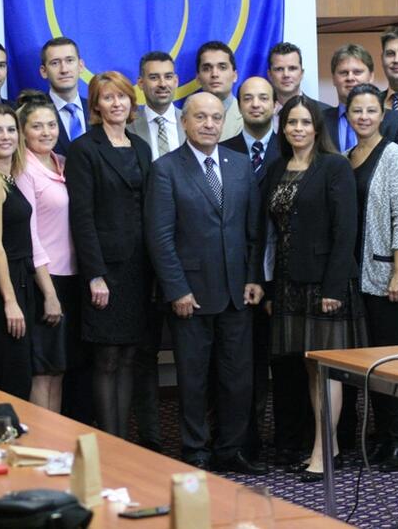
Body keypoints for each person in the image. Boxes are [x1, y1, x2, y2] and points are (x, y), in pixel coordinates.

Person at [146, 91, 267, 474]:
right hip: (191, 296)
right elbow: (160, 238)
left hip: (237, 294)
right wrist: (177, 289)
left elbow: (253, 231)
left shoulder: (240, 165)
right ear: (185, 122)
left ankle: (232, 448)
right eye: (200, 117)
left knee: (237, 379)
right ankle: (195, 448)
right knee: (194, 379)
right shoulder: (166, 168)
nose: (209, 124)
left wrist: (253, 278)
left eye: (216, 117)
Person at [260, 95, 366, 482]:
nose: (298, 129)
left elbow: (346, 232)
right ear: (283, 127)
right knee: (309, 368)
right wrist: (269, 286)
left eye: (305, 122)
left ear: (317, 128)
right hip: (290, 283)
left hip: (326, 285)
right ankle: (329, 445)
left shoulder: (334, 166)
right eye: (291, 122)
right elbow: (269, 232)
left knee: (326, 370)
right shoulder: (277, 168)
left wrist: (333, 287)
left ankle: (323, 454)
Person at [222, 76, 307, 465]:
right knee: (245, 366)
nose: (255, 104)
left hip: (286, 277)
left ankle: (292, 440)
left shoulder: (292, 150)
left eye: (263, 98)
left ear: (276, 105)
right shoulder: (221, 151)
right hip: (236, 278)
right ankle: (247, 441)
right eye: (247, 98)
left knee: (289, 364)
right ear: (237, 105)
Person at [65, 71, 152, 437]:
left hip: (140, 268)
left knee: (130, 355)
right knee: (107, 357)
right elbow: (81, 217)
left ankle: (124, 439)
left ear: (131, 102)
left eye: (122, 97)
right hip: (105, 269)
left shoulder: (141, 147)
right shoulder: (84, 149)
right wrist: (95, 274)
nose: (116, 104)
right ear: (96, 106)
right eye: (108, 97)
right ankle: (111, 438)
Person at [0, 104, 62, 401]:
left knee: (20, 375)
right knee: (12, 379)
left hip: (21, 277)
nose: (5, 136)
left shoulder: (9, 177)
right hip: (0, 287)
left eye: (10, 129)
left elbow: (25, 241)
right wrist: (9, 301)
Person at [345, 84, 398, 472]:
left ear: (382, 115)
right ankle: (381, 434)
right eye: (357, 110)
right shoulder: (346, 156)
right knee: (367, 362)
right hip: (355, 278)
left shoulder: (394, 155)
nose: (364, 117)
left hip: (387, 276)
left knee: (391, 361)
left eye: (371, 110)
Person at [127, 51, 184, 450]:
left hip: (192, 256)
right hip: (141, 262)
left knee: (193, 357)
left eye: (167, 77)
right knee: (143, 357)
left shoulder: (193, 121)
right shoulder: (127, 130)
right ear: (141, 83)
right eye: (153, 77)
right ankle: (151, 440)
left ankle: (197, 440)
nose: (161, 83)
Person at [15, 92, 72, 411]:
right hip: (43, 281)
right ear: (23, 131)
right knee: (42, 372)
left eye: (52, 124)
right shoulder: (23, 168)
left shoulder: (62, 162)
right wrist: (48, 293)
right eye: (37, 126)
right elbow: (30, 234)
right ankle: (41, 450)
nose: (47, 131)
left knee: (58, 371)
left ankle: (59, 452)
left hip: (69, 278)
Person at [323, 43, 398, 151]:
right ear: (333, 78)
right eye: (343, 73)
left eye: (357, 72)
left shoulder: (397, 122)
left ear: (371, 76)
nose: (350, 78)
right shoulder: (319, 121)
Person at [39, 37, 87, 156]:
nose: (64, 70)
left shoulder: (97, 110)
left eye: (70, 60)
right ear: (44, 71)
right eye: (55, 63)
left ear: (81, 66)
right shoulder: (32, 113)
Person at [195, 41, 242, 141]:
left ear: (235, 75)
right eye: (207, 68)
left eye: (222, 67)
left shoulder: (248, 117)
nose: (215, 74)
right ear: (198, 78)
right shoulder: (183, 119)